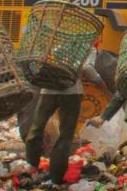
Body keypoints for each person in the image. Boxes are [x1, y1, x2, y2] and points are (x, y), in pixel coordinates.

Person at [26, 47, 104, 186]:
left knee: (37, 126)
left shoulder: (56, 47)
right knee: (65, 136)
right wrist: (100, 82)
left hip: (48, 91)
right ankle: (56, 178)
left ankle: (32, 166)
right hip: (71, 93)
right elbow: (87, 67)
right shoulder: (87, 48)